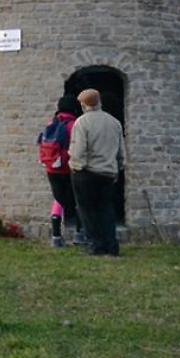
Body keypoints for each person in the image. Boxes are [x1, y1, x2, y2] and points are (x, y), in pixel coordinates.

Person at [69, 88, 126, 256]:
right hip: (108, 173)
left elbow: (79, 150)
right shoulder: (114, 122)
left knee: (87, 211)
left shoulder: (82, 122)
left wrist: (75, 166)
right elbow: (121, 151)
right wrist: (118, 167)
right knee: (106, 209)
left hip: (87, 172)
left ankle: (96, 245)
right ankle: (112, 245)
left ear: (84, 104)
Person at [38, 95, 81, 248]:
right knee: (78, 198)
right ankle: (79, 234)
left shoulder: (52, 123)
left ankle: (56, 236)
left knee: (58, 199)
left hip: (52, 168)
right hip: (69, 167)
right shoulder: (75, 125)